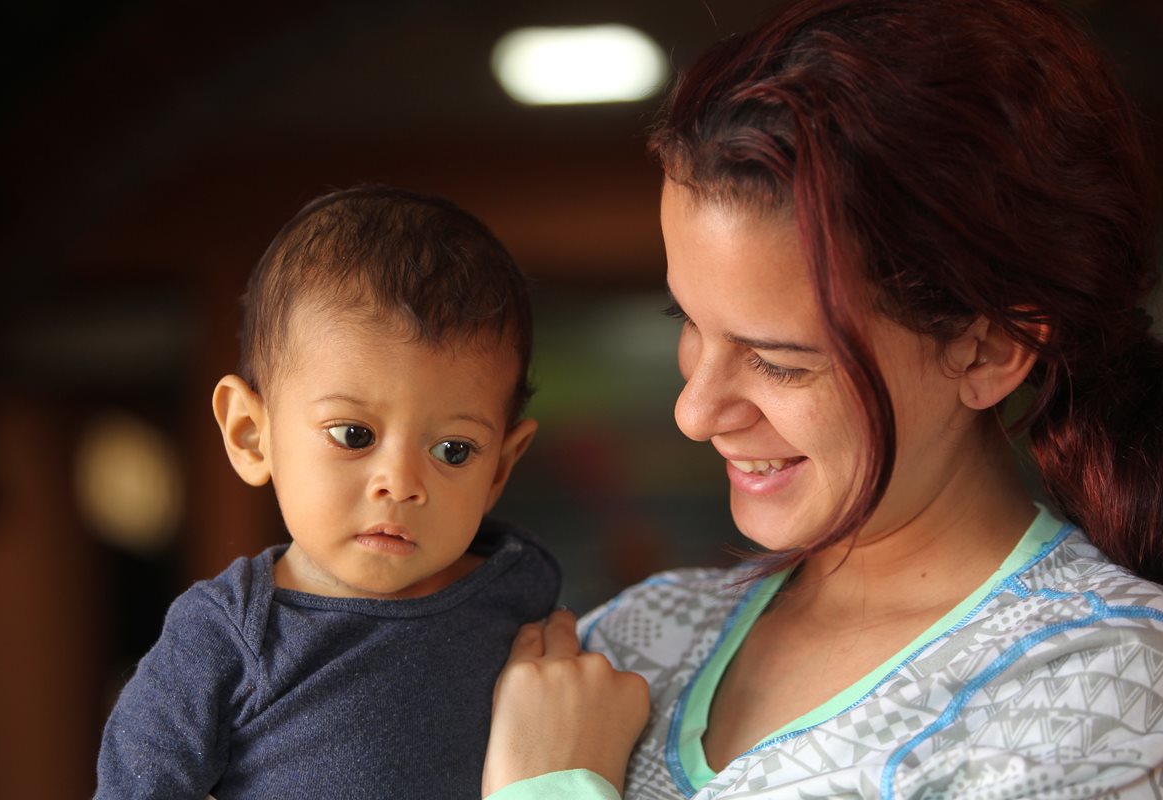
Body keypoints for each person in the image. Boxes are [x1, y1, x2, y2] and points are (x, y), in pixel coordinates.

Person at [481, 0, 1163, 797]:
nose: (695, 412)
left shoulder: (1097, 689)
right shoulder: (634, 638)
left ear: (990, 348)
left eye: (778, 362)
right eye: (689, 323)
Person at [96, 184, 558, 799]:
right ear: (251, 434)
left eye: (454, 450)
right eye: (354, 434)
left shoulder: (518, 590)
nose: (400, 483)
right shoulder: (228, 638)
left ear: (500, 467)